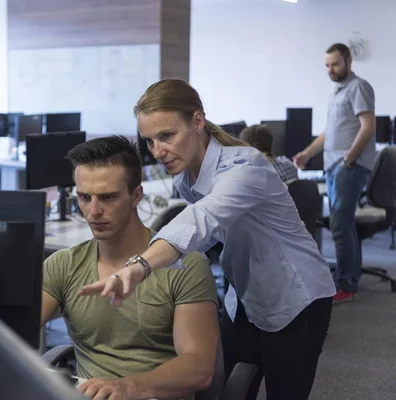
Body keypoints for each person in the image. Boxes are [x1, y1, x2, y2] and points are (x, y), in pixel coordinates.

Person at [80, 79, 336, 400]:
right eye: (149, 141)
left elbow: (203, 218)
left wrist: (140, 265)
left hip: (297, 298)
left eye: (167, 136)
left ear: (198, 122)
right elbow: (203, 238)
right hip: (243, 297)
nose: (158, 151)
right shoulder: (187, 177)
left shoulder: (246, 165)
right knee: (227, 391)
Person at [41, 135, 220, 400]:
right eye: (84, 197)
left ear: (136, 195)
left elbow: (199, 368)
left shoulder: (186, 266)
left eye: (107, 197)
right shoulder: (63, 265)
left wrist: (126, 387)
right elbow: (10, 334)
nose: (93, 212)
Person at [293, 43, 376, 302]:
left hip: (347, 166)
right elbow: (329, 133)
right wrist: (307, 153)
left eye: (335, 64)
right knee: (344, 224)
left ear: (348, 61)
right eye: (327, 65)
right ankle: (350, 278)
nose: (330, 69)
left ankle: (345, 285)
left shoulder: (358, 87)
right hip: (334, 165)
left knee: (340, 225)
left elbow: (368, 126)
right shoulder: (337, 92)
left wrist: (349, 158)